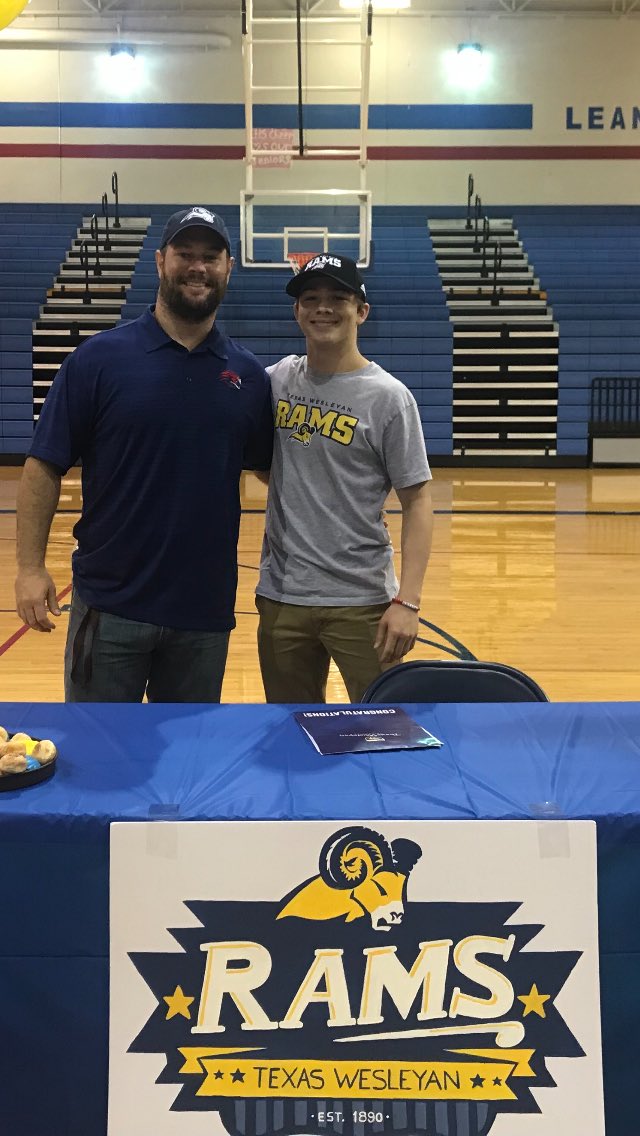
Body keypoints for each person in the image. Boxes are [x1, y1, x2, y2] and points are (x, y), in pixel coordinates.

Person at [15, 206, 273, 703]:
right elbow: (43, 465)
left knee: (188, 770)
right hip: (110, 605)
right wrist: (29, 568)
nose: (197, 267)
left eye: (210, 256)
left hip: (203, 614)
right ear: (160, 262)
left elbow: (273, 471)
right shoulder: (97, 360)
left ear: (228, 267)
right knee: (101, 758)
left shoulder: (249, 377)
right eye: (184, 254)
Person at [256, 253, 433, 703]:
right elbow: (265, 462)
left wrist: (408, 602)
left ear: (362, 310)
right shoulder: (276, 381)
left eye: (338, 297)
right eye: (311, 298)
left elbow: (417, 501)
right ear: (297, 312)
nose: (323, 307)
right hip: (283, 598)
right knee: (292, 730)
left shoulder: (389, 398)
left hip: (364, 602)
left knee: (385, 731)